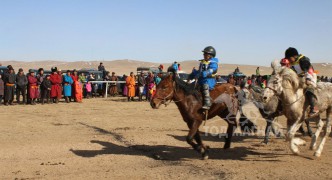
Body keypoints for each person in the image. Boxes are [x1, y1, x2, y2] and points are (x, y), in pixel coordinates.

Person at [285, 47, 318, 116]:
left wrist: (308, 79)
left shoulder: (303, 60)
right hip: (301, 77)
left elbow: (309, 71)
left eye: (289, 58)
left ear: (294, 56)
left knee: (309, 88)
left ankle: (314, 107)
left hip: (310, 75)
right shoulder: (292, 63)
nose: (288, 60)